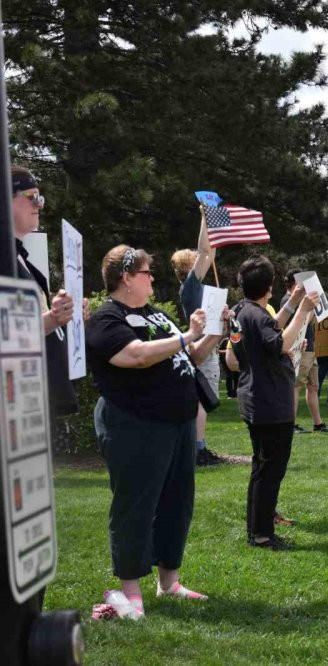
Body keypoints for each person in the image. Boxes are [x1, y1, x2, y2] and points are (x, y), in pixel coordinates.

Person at [88, 244, 226, 615]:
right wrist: (187, 335)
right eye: (146, 272)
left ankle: (169, 583)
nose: (152, 278)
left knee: (177, 503)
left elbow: (191, 356)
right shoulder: (107, 318)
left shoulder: (156, 315)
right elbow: (135, 355)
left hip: (177, 423)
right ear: (126, 278)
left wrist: (214, 332)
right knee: (135, 505)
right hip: (135, 424)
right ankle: (131, 591)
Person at [226, 256, 319, 551]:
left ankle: (257, 529)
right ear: (269, 286)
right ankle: (262, 534)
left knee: (261, 467)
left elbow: (270, 329)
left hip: (254, 396)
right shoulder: (256, 315)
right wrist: (303, 310)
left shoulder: (242, 311)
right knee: (270, 471)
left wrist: (292, 303)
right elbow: (279, 343)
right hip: (269, 401)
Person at [11, 166, 79, 422]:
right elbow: (9, 332)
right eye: (31, 197)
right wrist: (53, 318)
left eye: (40, 197)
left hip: (37, 399)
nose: (39, 204)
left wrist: (68, 316)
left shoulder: (22, 260)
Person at [170, 212, 223, 466]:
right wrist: (206, 216)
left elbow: (208, 253)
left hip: (204, 344)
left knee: (201, 399)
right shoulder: (191, 285)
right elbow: (206, 253)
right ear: (188, 266)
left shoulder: (192, 287)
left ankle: (197, 446)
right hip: (203, 346)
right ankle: (198, 450)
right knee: (202, 399)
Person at [280, 270, 328, 434]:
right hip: (299, 348)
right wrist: (310, 310)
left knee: (313, 386)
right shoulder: (288, 301)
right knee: (296, 386)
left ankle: (318, 423)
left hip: (309, 348)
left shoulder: (296, 300)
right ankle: (291, 424)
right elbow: (300, 322)